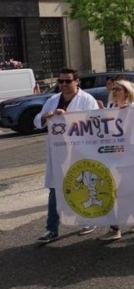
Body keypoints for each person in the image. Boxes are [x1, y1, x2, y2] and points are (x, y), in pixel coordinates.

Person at [35, 68, 100, 244]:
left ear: (76, 81)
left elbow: (95, 123)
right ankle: (51, 229)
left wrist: (68, 117)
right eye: (61, 81)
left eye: (67, 81)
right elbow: (37, 120)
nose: (63, 85)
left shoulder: (87, 100)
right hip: (58, 152)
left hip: (80, 151)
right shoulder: (53, 100)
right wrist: (46, 117)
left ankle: (89, 220)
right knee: (55, 190)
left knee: (84, 186)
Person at [98, 80, 134, 241]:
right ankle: (116, 228)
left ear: (126, 92)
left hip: (131, 158)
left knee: (129, 191)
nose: (114, 91)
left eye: (117, 89)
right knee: (113, 192)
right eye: (113, 89)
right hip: (113, 157)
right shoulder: (111, 109)